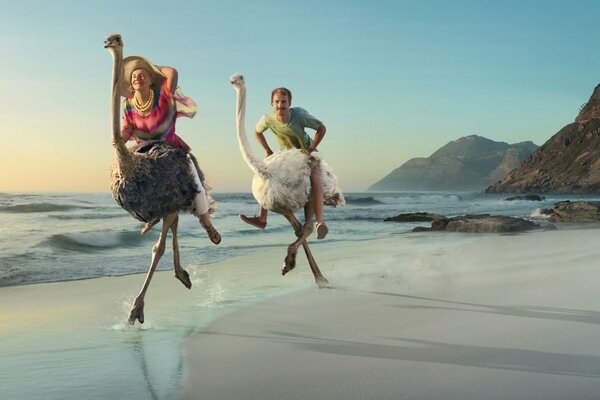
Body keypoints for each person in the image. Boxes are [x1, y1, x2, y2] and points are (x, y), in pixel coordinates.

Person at [120, 56, 221, 245]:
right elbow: (127, 128)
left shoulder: (163, 95)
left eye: (143, 75)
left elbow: (172, 72)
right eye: (134, 76)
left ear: (151, 81)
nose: (137, 78)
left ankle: (207, 223)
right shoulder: (127, 104)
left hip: (170, 149)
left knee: (194, 181)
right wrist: (119, 141)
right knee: (128, 183)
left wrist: (153, 67)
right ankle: (150, 215)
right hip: (144, 151)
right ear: (131, 84)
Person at [240, 87, 329, 239]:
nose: (280, 105)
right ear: (272, 104)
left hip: (306, 153)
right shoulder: (268, 119)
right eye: (277, 102)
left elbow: (321, 128)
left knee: (315, 179)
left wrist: (311, 147)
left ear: (289, 103)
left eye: (284, 102)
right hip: (286, 156)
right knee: (266, 174)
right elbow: (257, 132)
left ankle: (319, 222)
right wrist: (268, 150)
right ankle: (262, 218)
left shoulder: (299, 115)